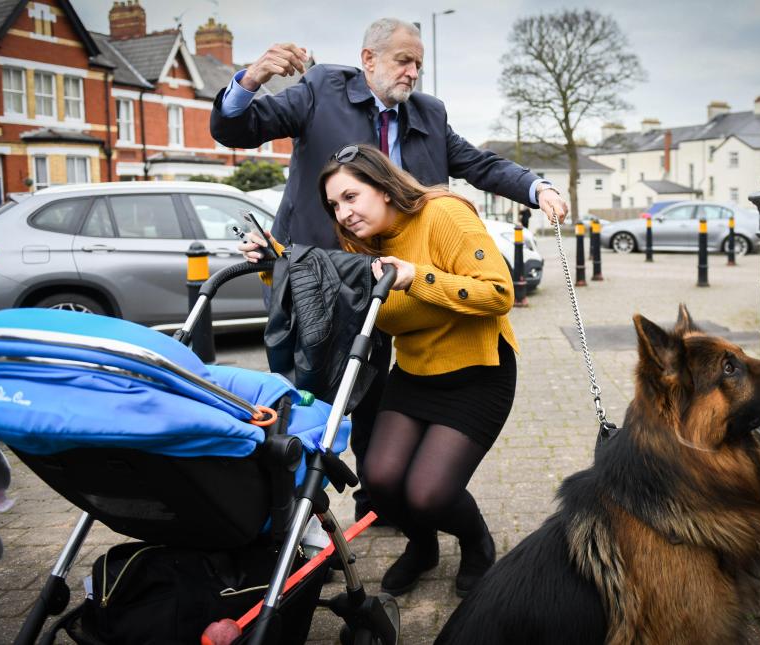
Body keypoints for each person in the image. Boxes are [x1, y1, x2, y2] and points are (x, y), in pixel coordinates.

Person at [212, 17, 567, 521]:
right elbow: (236, 129)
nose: (413, 72)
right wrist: (251, 79)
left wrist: (537, 188)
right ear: (369, 59)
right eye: (404, 60)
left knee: (379, 398)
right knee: (316, 401)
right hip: (321, 281)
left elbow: (479, 164)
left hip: (395, 282)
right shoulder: (320, 90)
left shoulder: (429, 113)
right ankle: (301, 517)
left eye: (418, 63)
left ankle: (379, 503)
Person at [241, 144, 517, 598]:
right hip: (415, 372)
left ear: (384, 188)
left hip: (478, 371)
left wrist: (418, 276)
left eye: (351, 197)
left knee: (429, 492)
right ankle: (423, 545)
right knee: (382, 480)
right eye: (334, 205)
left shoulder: (443, 214)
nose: (343, 212)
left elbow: (498, 293)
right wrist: (276, 265)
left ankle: (475, 542)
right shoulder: (362, 244)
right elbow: (327, 282)